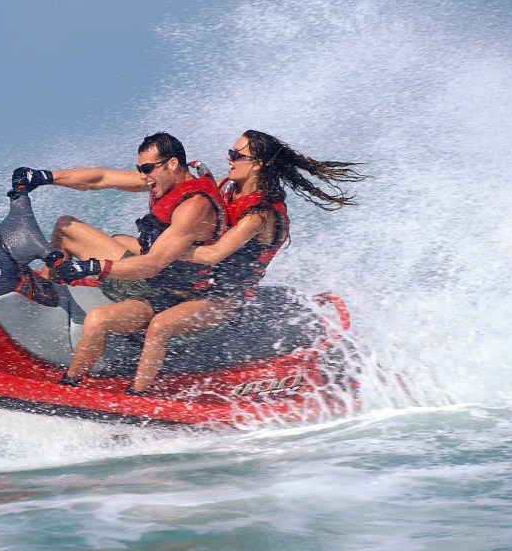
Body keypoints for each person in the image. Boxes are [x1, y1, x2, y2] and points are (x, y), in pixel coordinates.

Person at [123, 129, 368, 393]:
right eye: (230, 152)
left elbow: (213, 254)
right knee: (120, 243)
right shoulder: (226, 189)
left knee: (160, 320)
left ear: (258, 164)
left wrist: (161, 252)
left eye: (236, 155)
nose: (229, 158)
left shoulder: (259, 215)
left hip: (225, 301)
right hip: (198, 285)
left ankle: (136, 394)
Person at [11, 132, 226, 392]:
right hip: (150, 278)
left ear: (172, 164)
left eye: (147, 169)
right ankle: (44, 301)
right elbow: (101, 178)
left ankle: (69, 386)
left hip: (168, 298)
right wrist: (45, 177)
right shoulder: (162, 181)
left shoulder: (195, 206)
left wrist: (91, 267)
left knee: (97, 320)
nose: (143, 176)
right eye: (140, 169)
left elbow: (153, 264)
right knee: (66, 227)